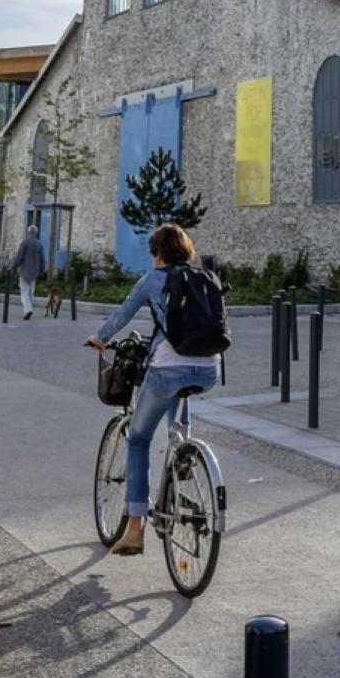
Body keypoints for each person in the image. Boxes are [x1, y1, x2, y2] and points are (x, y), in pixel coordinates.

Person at [85, 223, 222, 556]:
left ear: (157, 253)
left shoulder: (152, 280)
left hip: (166, 369)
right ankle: (183, 450)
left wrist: (100, 338)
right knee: (182, 389)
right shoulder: (204, 278)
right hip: (208, 368)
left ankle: (134, 528)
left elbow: (122, 314)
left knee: (139, 439)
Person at [4, 222, 47, 319]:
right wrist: (41, 270)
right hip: (35, 272)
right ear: (36, 233)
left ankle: (28, 310)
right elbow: (42, 259)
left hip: (24, 271)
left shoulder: (24, 243)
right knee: (31, 292)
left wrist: (13, 267)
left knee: (24, 292)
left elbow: (19, 258)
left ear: (28, 232)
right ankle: (29, 309)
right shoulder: (39, 244)